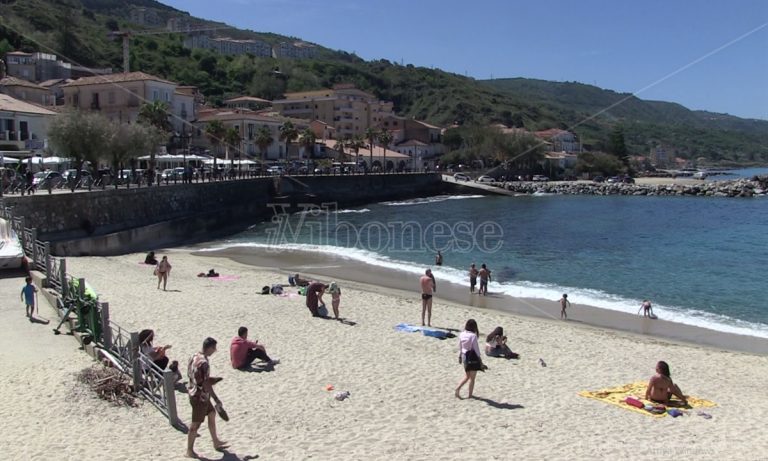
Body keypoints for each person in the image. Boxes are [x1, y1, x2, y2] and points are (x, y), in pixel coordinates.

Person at [186, 337, 228, 458]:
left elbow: (192, 375)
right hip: (200, 397)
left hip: (194, 392)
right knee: (195, 425)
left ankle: (216, 441)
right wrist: (216, 398)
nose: (215, 350)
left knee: (211, 413)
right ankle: (189, 451)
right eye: (214, 348)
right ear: (209, 347)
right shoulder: (204, 363)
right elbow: (205, 383)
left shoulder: (194, 356)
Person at [455, 319, 485, 399]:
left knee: (467, 376)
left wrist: (460, 356)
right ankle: (470, 395)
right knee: (472, 378)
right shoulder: (473, 336)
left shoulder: (462, 334)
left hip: (464, 356)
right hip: (472, 357)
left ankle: (458, 388)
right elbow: (476, 349)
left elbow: (460, 346)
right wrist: (480, 360)